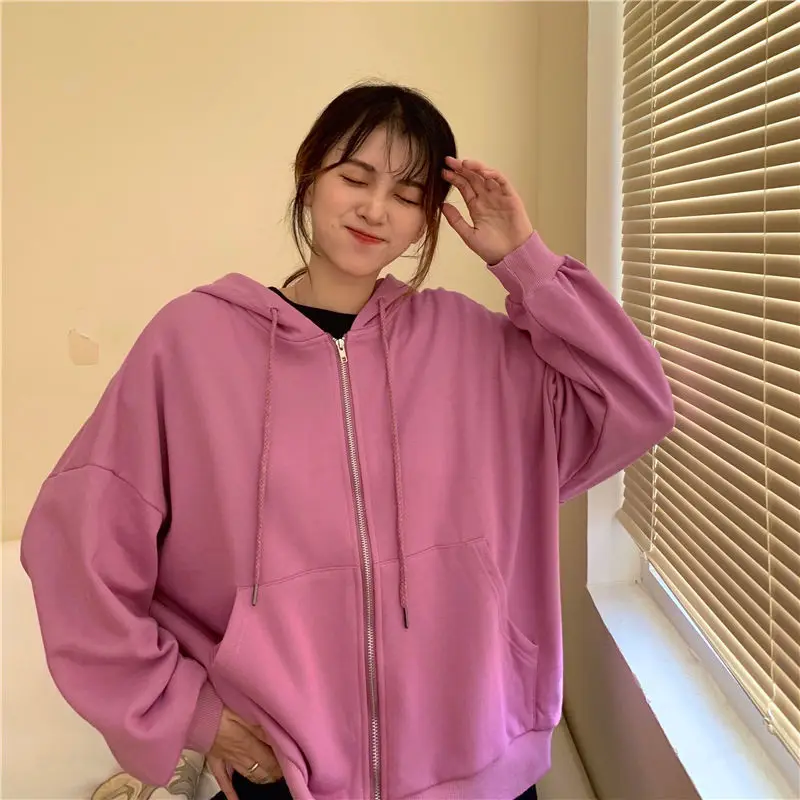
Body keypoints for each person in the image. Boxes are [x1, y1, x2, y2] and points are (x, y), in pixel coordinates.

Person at [20, 80, 674, 800]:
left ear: (426, 219)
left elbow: (633, 403)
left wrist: (524, 260)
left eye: (406, 194)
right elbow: (75, 550)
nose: (374, 209)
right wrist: (189, 714)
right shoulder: (190, 344)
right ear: (309, 175)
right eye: (355, 178)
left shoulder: (471, 345)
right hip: (285, 770)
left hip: (479, 763)